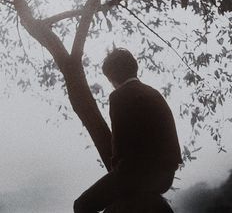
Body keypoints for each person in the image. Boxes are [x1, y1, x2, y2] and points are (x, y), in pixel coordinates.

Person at [73, 48, 182, 213]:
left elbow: (120, 145)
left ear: (111, 76)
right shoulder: (154, 93)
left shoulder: (119, 97)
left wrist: (117, 174)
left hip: (137, 176)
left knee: (82, 205)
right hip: (165, 176)